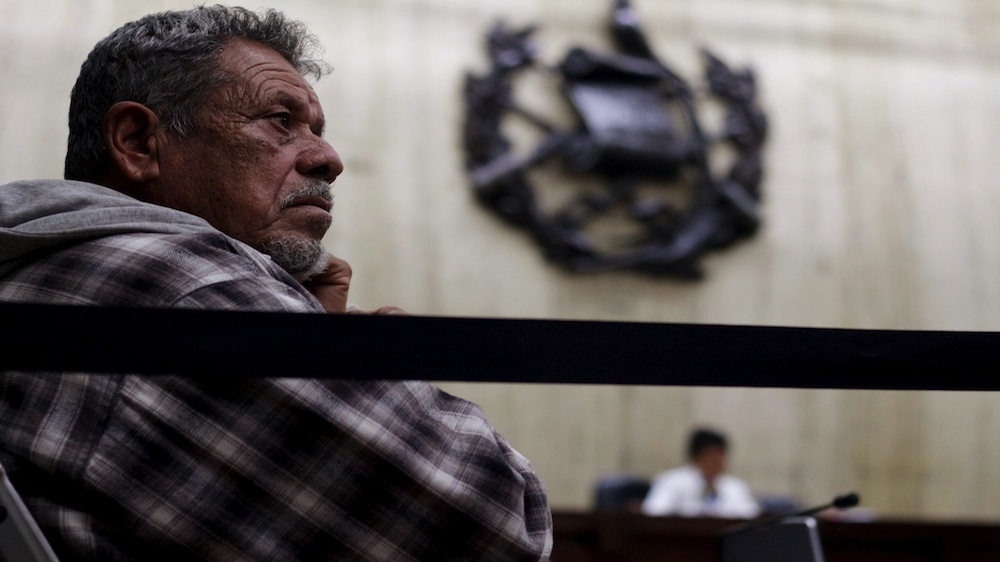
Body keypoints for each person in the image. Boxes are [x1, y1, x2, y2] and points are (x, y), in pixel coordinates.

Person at [0, 6, 551, 561]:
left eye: (317, 130)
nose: (328, 159)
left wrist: (313, 338)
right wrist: (379, 370)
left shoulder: (46, 262)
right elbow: (499, 526)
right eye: (279, 120)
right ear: (139, 142)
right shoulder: (186, 282)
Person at [641, 428, 759, 519]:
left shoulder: (735, 486)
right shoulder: (671, 481)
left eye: (721, 455)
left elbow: (752, 517)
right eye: (711, 455)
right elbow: (655, 512)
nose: (718, 460)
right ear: (696, 456)